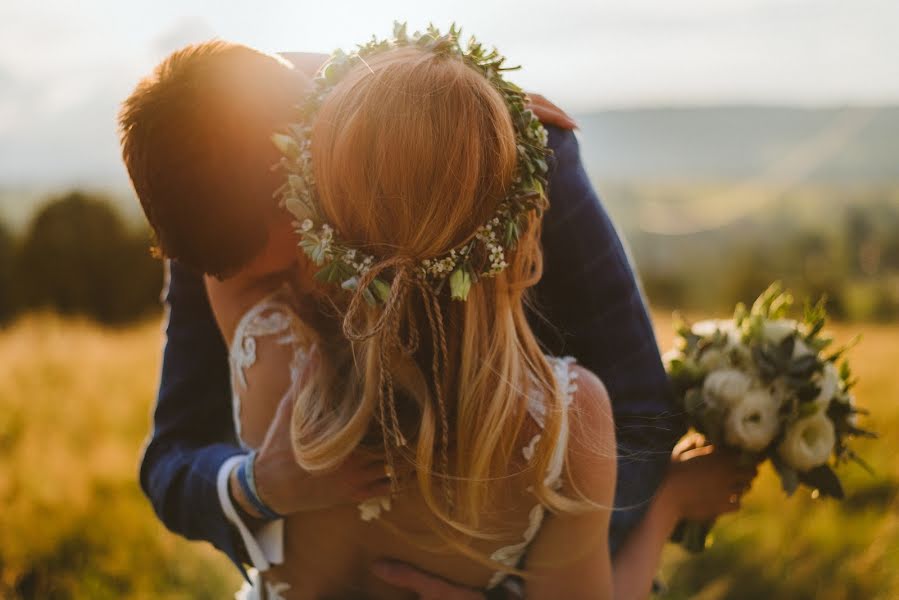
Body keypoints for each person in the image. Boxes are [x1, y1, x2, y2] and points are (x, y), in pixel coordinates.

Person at [120, 36, 745, 598]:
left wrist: (508, 584)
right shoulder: (211, 222)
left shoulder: (520, 159)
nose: (295, 287)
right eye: (258, 283)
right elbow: (173, 466)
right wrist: (257, 487)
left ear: (310, 171)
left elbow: (642, 417)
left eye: (298, 255)